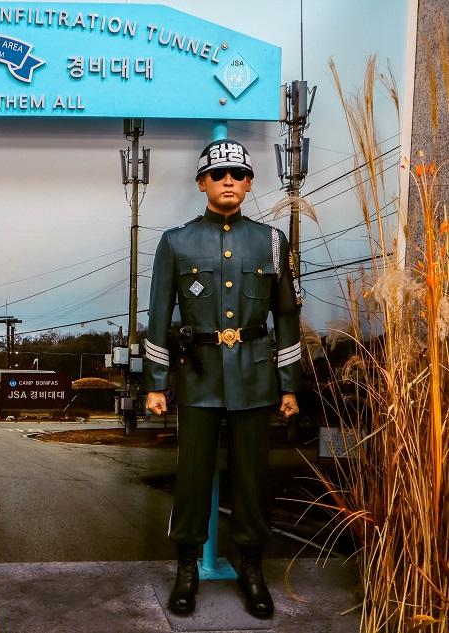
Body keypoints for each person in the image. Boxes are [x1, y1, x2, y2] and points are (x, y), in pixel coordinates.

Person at [143, 139, 302, 619]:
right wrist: (155, 382)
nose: (228, 180)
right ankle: (187, 569)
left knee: (253, 479)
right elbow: (156, 318)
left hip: (255, 377)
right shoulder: (176, 241)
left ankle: (252, 568)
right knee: (192, 477)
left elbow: (288, 316)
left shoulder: (272, 241)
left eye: (238, 172)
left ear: (250, 181)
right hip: (199, 376)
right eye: (218, 174)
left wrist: (289, 384)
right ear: (202, 183)